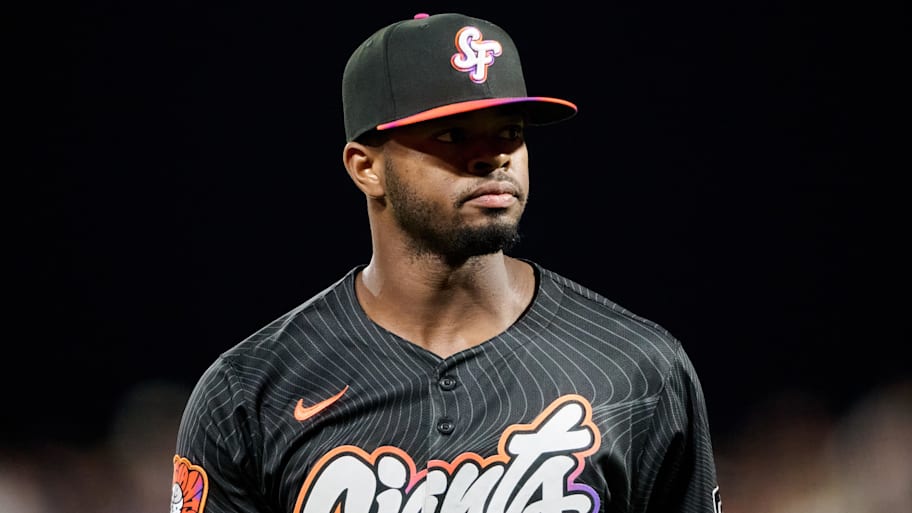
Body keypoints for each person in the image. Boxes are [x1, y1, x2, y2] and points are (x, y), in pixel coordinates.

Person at [172, 12, 722, 513]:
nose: (495, 156)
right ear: (366, 168)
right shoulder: (250, 390)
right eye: (454, 135)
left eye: (510, 133)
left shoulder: (638, 367)